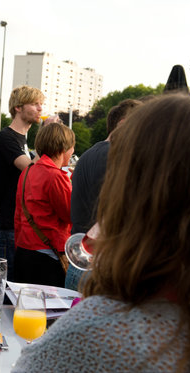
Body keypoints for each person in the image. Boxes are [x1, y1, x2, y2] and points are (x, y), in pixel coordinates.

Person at [11, 94, 190, 373]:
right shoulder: (56, 176)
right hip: (50, 253)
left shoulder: (32, 171)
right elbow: (65, 211)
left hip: (35, 251)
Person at [66, 98, 141, 290]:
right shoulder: (117, 156)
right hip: (100, 264)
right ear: (123, 125)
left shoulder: (87, 155)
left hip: (79, 260)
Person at [0, 85, 46, 279]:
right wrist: (47, 140)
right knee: (6, 288)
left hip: (19, 226)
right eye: (35, 104)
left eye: (41, 104)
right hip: (9, 227)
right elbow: (31, 169)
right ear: (18, 108)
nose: (40, 108)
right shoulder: (6, 138)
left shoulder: (22, 140)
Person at [14, 122, 75, 287]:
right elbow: (70, 214)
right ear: (64, 149)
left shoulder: (27, 172)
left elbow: (19, 215)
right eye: (72, 148)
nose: (73, 152)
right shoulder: (56, 176)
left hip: (24, 250)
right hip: (48, 255)